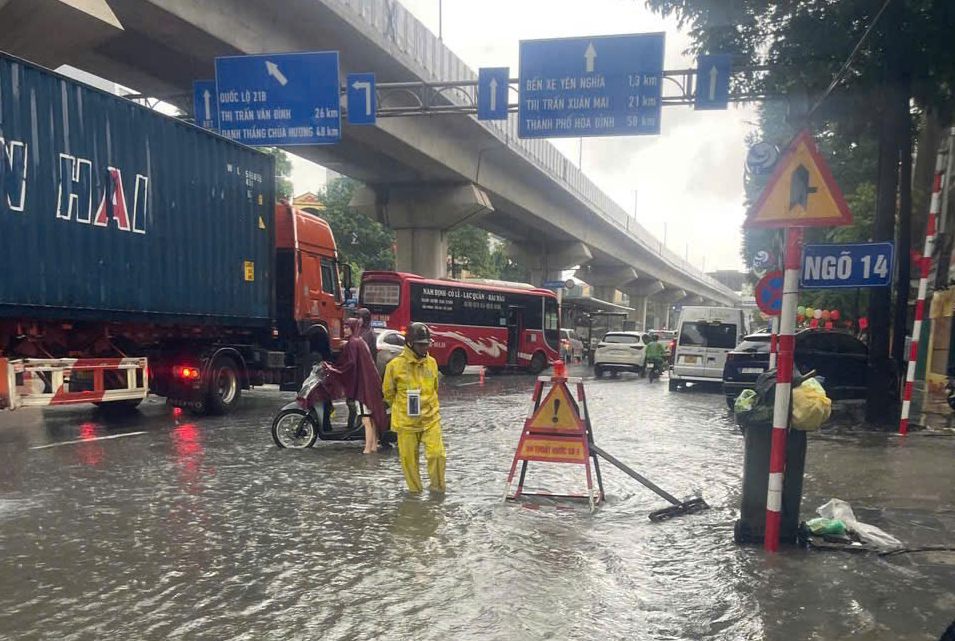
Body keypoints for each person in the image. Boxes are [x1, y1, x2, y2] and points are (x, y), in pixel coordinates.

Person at [382, 322, 446, 493]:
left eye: (427, 344)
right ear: (410, 343)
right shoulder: (394, 366)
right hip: (406, 423)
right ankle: (415, 493)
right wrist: (402, 408)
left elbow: (435, 388)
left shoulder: (432, 363)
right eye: (421, 344)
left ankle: (438, 491)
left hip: (431, 419)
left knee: (437, 454)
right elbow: (388, 393)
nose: (425, 348)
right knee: (409, 462)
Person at [322, 317, 387, 453]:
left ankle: (367, 449)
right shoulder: (359, 341)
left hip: (363, 386)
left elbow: (349, 364)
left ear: (353, 328)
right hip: (371, 383)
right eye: (344, 327)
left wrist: (333, 369)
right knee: (372, 417)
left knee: (366, 418)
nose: (344, 330)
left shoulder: (353, 343)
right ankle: (373, 445)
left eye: (347, 327)